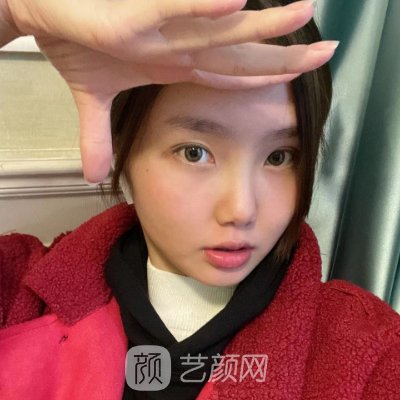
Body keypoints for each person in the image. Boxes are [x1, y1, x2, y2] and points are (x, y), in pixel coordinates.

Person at [1, 1, 399, 400]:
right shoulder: (16, 293)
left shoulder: (371, 352)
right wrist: (11, 13)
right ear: (121, 143)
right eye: (194, 153)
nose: (241, 210)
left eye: (279, 157)